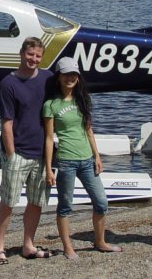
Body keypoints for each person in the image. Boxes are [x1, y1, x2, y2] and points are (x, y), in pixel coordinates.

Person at [43, 57, 121, 259]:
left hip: (87, 160)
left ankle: (100, 241)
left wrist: (97, 155)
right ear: (59, 77)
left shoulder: (82, 100)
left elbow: (89, 130)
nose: (70, 78)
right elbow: (49, 138)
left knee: (101, 202)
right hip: (66, 161)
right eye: (66, 74)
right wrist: (48, 168)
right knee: (65, 205)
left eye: (74, 74)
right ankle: (68, 247)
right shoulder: (51, 104)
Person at [0, 36, 54, 264]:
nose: (34, 59)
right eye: (30, 54)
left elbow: (68, 91)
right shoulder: (8, 84)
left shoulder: (48, 78)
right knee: (8, 200)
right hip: (17, 151)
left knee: (37, 201)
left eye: (38, 56)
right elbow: (6, 123)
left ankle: (28, 244)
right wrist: (10, 155)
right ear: (21, 54)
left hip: (41, 153)